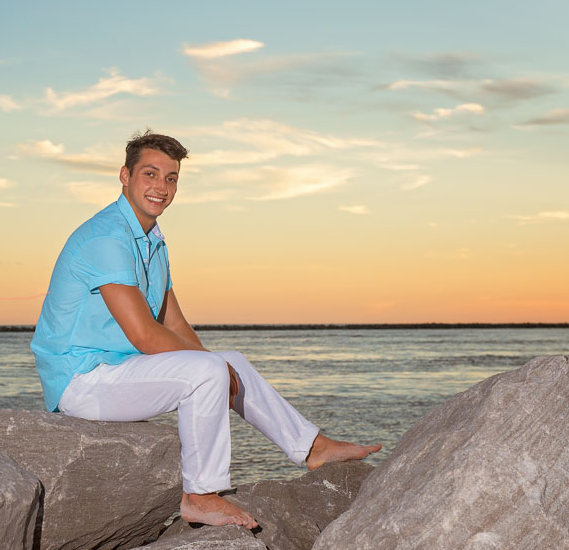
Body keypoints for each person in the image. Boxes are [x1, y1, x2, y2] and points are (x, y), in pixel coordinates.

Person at [31, 130, 380, 528]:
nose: (161, 187)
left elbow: (172, 321)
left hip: (115, 369)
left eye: (171, 178)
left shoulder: (152, 241)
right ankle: (199, 495)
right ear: (125, 176)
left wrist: (216, 365)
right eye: (150, 174)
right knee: (210, 369)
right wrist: (210, 369)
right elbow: (145, 335)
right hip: (81, 380)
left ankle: (312, 447)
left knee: (229, 361)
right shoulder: (106, 237)